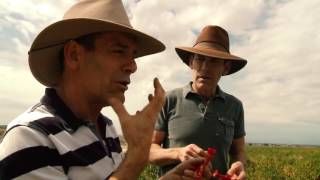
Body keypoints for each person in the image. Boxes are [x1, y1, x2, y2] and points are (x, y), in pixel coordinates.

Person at [0, 1, 211, 179]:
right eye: (119, 51)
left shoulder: (106, 128)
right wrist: (136, 157)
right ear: (74, 55)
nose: (133, 66)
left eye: (133, 56)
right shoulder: (30, 138)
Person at [149, 25, 248, 179]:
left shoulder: (234, 106)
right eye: (199, 59)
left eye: (214, 61)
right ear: (191, 62)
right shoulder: (169, 100)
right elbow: (149, 150)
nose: (205, 67)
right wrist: (178, 153)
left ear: (225, 68)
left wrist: (239, 165)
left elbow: (238, 151)